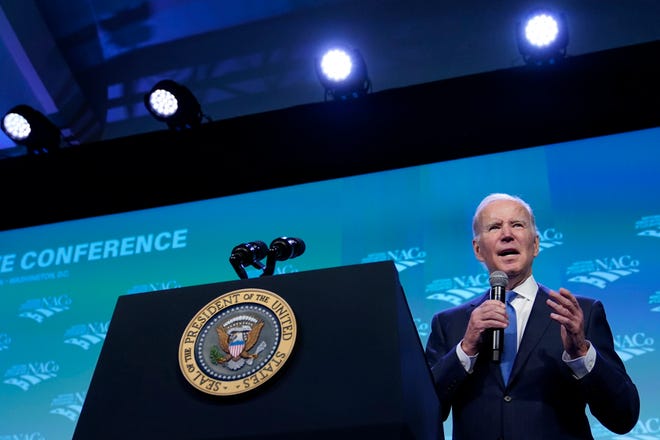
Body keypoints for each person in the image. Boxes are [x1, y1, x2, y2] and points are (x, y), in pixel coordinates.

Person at [425, 193, 640, 439]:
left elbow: (624, 416)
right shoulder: (449, 324)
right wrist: (465, 350)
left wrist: (581, 352)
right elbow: (423, 412)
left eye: (517, 225)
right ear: (477, 249)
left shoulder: (579, 314)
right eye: (495, 227)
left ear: (535, 244)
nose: (507, 234)